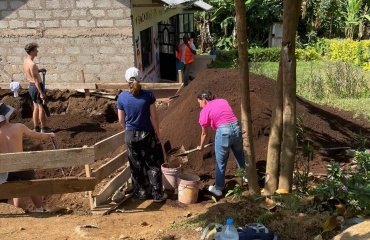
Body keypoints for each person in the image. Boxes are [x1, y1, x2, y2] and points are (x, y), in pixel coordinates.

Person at [116, 67, 167, 202]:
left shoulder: (121, 97)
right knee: (152, 163)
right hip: (147, 134)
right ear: (141, 79)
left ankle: (141, 193)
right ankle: (157, 194)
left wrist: (127, 129)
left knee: (136, 164)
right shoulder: (148, 95)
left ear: (126, 80)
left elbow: (121, 119)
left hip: (130, 135)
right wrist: (157, 133)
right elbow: (154, 118)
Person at [0, 102, 56, 212]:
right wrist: (49, 135)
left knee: (15, 191)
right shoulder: (19, 127)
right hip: (22, 164)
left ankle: (21, 212)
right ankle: (39, 209)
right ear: (7, 115)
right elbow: (38, 136)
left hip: (5, 168)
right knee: (32, 185)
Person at [196, 90, 247, 197]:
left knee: (221, 162)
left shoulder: (204, 110)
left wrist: (201, 146)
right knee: (239, 154)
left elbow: (204, 134)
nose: (200, 106)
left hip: (223, 133)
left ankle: (219, 188)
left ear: (204, 100)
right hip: (237, 129)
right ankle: (245, 177)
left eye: (199, 103)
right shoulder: (222, 101)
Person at [23, 42, 52, 133]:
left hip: (31, 87)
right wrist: (41, 93)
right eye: (36, 50)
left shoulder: (26, 61)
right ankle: (44, 128)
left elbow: (31, 73)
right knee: (41, 107)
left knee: (35, 107)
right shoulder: (32, 64)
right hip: (36, 87)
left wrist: (39, 70)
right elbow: (36, 80)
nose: (37, 51)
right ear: (32, 51)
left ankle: (36, 127)